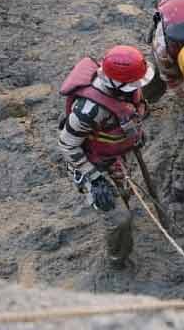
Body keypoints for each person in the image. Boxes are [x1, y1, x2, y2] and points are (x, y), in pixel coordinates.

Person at [57, 45, 155, 268]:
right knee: (120, 219)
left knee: (124, 193)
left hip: (117, 156)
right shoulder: (88, 110)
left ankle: (121, 205)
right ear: (117, 83)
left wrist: (135, 134)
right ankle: (116, 259)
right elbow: (67, 144)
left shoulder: (127, 91)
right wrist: (95, 179)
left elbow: (135, 112)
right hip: (91, 163)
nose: (137, 88)